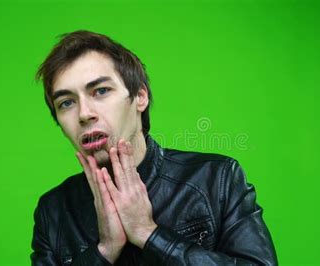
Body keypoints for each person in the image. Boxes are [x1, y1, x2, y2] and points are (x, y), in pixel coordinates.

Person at [31, 30, 278, 266]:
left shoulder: (217, 179)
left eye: (101, 91)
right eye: (66, 103)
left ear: (140, 97)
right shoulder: (53, 211)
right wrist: (104, 250)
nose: (84, 114)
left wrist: (149, 234)